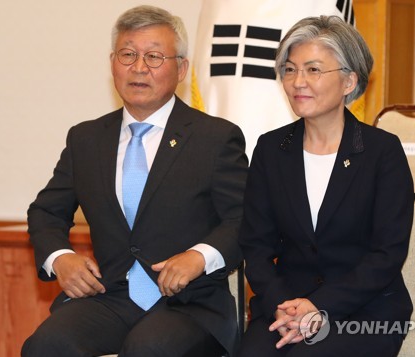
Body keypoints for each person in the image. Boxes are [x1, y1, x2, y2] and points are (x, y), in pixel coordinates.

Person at [22, 5, 248, 357]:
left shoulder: (215, 138)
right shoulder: (87, 138)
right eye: (128, 54)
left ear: (182, 68)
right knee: (45, 345)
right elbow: (46, 212)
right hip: (110, 296)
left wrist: (198, 256)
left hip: (188, 303)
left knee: (147, 349)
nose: (139, 67)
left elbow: (243, 218)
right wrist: (60, 257)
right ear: (113, 62)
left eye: (155, 56)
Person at [238, 15, 414, 357]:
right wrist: (283, 305)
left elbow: (387, 253)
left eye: (313, 70)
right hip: (285, 306)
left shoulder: (382, 152)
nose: (297, 82)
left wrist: (318, 307)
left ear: (349, 81)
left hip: (364, 311)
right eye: (289, 70)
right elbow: (255, 245)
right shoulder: (271, 149)